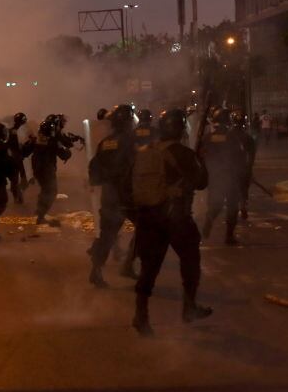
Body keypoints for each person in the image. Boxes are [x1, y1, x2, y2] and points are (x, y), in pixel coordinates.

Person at [130, 108, 212, 336]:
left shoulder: (145, 151)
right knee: (190, 258)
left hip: (148, 216)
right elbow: (202, 182)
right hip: (174, 217)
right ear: (180, 129)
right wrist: (200, 159)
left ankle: (141, 315)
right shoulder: (183, 153)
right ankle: (189, 306)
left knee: (149, 268)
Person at [87, 103, 136, 287]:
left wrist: (99, 183)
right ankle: (128, 265)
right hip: (128, 194)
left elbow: (94, 166)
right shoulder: (131, 141)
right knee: (147, 229)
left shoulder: (105, 142)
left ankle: (96, 269)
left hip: (109, 193)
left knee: (107, 233)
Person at [201, 108, 249, 245]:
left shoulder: (207, 138)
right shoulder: (232, 136)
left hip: (214, 177)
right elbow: (240, 156)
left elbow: (202, 156)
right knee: (232, 207)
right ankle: (229, 236)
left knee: (216, 204)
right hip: (230, 177)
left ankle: (210, 218)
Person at [23, 114, 74, 226]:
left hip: (37, 169)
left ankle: (39, 211)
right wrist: (66, 149)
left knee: (45, 190)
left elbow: (25, 151)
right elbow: (64, 155)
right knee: (51, 191)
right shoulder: (53, 141)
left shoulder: (36, 139)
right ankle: (41, 216)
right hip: (47, 170)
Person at [233, 111, 257, 220]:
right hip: (244, 168)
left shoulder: (228, 136)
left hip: (231, 169)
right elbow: (252, 155)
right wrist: (249, 168)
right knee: (243, 189)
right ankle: (242, 205)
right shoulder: (248, 137)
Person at [7, 112, 29, 204]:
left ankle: (16, 195)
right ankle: (18, 194)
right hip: (18, 158)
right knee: (22, 178)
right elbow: (21, 145)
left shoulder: (10, 130)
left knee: (14, 179)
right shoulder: (20, 132)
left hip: (13, 158)